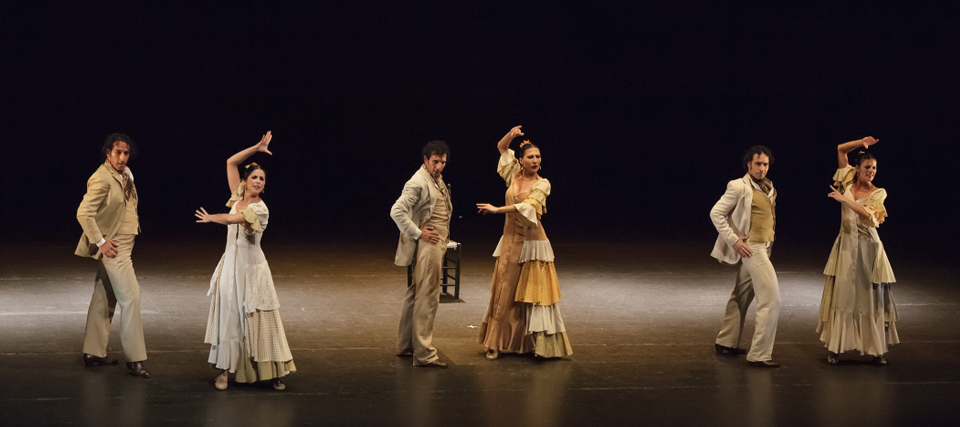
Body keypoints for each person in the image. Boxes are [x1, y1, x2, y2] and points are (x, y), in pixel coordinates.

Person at [195, 131, 296, 390]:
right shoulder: (236, 199)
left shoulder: (260, 210)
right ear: (245, 181)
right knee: (229, 317)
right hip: (231, 268)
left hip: (252, 270)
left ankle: (273, 371)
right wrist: (258, 147)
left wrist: (212, 217)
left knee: (259, 318)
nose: (259, 181)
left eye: (262, 179)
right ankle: (224, 371)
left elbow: (231, 220)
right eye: (254, 177)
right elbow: (230, 162)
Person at [476, 126, 573, 360]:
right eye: (531, 157)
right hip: (509, 239)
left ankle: (537, 344)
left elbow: (529, 207)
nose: (536, 160)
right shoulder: (513, 175)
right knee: (503, 288)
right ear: (521, 161)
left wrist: (498, 209)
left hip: (531, 242)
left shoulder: (543, 184)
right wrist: (510, 135)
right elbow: (501, 148)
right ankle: (495, 343)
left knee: (531, 293)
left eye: (538, 157)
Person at [76, 133, 151, 378]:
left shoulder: (126, 173)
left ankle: (93, 351)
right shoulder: (101, 178)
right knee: (131, 298)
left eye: (125, 153)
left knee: (104, 295)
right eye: (117, 152)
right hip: (115, 247)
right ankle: (135, 359)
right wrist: (100, 242)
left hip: (126, 241)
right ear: (107, 152)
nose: (121, 157)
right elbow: (83, 213)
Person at [818, 136, 898, 365]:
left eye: (874, 168)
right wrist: (860, 142)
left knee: (868, 297)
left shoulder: (878, 192)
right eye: (867, 167)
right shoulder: (847, 179)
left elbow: (870, 217)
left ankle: (875, 349)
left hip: (868, 248)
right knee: (843, 295)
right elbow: (840, 149)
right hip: (845, 246)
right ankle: (836, 346)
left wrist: (844, 199)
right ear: (858, 168)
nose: (871, 171)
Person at [710, 145, 782, 368]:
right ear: (749, 164)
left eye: (765, 164)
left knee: (741, 294)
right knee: (771, 300)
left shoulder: (769, 187)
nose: (762, 168)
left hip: (765, 246)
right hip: (752, 248)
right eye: (758, 164)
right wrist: (734, 239)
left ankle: (726, 341)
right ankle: (759, 354)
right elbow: (716, 213)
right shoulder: (738, 186)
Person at [390, 140, 453, 368]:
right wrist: (418, 233)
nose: (439, 166)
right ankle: (424, 353)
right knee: (428, 296)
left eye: (443, 162)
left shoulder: (435, 179)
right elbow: (396, 211)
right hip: (429, 246)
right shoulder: (417, 182)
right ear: (425, 160)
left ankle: (405, 345)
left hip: (437, 243)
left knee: (416, 293)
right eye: (435, 161)